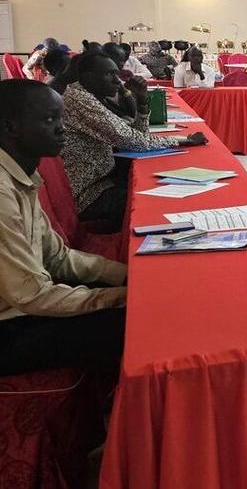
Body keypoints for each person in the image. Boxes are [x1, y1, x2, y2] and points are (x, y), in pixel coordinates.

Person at [0, 80, 128, 376]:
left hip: (24, 303)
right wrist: (122, 297)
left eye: (61, 118)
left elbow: (58, 257)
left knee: (134, 303)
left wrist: (124, 275)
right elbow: (31, 295)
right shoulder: (3, 192)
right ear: (10, 128)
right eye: (49, 119)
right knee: (137, 324)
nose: (62, 128)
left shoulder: (22, 176)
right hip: (9, 325)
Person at [62, 52, 206, 228]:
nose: (117, 81)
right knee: (154, 202)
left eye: (117, 73)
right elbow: (133, 140)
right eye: (109, 74)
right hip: (88, 195)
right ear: (88, 76)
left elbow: (135, 134)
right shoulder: (80, 100)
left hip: (104, 180)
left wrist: (142, 101)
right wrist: (182, 140)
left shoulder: (91, 95)